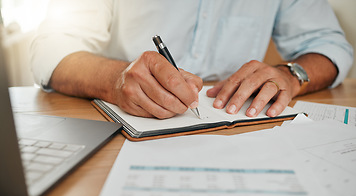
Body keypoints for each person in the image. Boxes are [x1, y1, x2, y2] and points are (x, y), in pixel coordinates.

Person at [30, 0, 353, 119]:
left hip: (236, 126)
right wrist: (115, 80)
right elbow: (50, 49)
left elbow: (330, 45)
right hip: (119, 124)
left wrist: (291, 74)